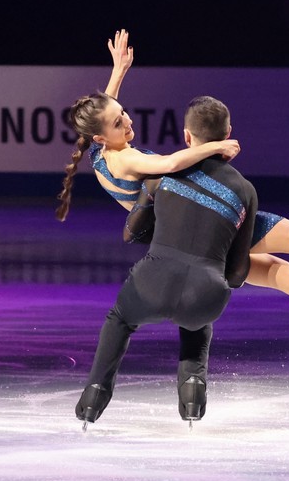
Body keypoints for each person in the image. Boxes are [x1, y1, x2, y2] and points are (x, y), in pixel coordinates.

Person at [58, 30, 289, 358]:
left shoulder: (100, 153)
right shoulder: (127, 159)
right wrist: (214, 147)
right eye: (118, 122)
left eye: (124, 113)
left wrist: (118, 72)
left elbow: (105, 109)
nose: (127, 120)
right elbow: (170, 163)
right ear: (101, 136)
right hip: (206, 222)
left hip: (185, 242)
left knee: (285, 276)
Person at [75, 96, 257, 428]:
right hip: (205, 294)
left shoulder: (154, 173)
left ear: (187, 136)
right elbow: (237, 271)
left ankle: (95, 394)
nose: (127, 120)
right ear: (228, 132)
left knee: (120, 319)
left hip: (152, 283)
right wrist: (218, 279)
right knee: (197, 319)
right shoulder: (246, 190)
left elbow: (131, 232)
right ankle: (192, 392)